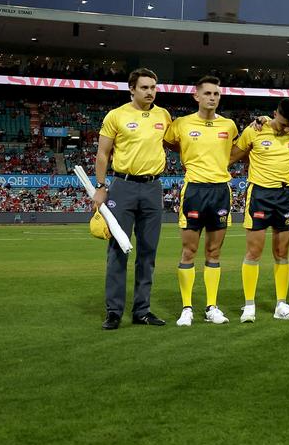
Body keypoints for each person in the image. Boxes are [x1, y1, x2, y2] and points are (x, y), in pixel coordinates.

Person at [93, 68, 173, 330]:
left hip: (153, 187)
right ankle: (114, 311)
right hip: (123, 187)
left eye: (153, 87)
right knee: (118, 250)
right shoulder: (116, 115)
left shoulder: (163, 115)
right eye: (144, 87)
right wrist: (101, 186)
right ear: (132, 89)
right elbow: (103, 154)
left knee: (148, 253)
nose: (150, 92)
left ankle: (142, 310)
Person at [165, 76, 239, 327]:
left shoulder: (229, 126)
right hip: (194, 190)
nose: (212, 98)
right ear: (196, 96)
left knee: (214, 251)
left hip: (220, 190)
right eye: (207, 93)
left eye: (216, 94)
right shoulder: (181, 124)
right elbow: (168, 143)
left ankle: (211, 307)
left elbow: (236, 150)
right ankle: (187, 308)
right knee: (189, 251)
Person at [232, 98, 289, 322]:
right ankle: (249, 305)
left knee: (282, 253)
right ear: (274, 113)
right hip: (260, 195)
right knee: (254, 252)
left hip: (285, 196)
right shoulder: (255, 129)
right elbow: (232, 155)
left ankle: (281, 305)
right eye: (283, 123)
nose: (286, 128)